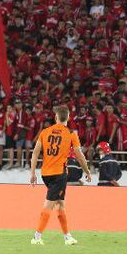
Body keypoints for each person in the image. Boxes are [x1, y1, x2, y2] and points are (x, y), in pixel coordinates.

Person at [28, 105, 91, 245]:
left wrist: (32, 173)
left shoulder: (45, 132)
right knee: (49, 204)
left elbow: (35, 152)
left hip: (45, 173)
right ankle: (36, 237)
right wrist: (87, 171)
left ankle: (67, 237)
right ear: (68, 117)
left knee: (60, 203)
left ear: (56, 117)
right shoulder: (71, 133)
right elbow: (79, 155)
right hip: (59, 173)